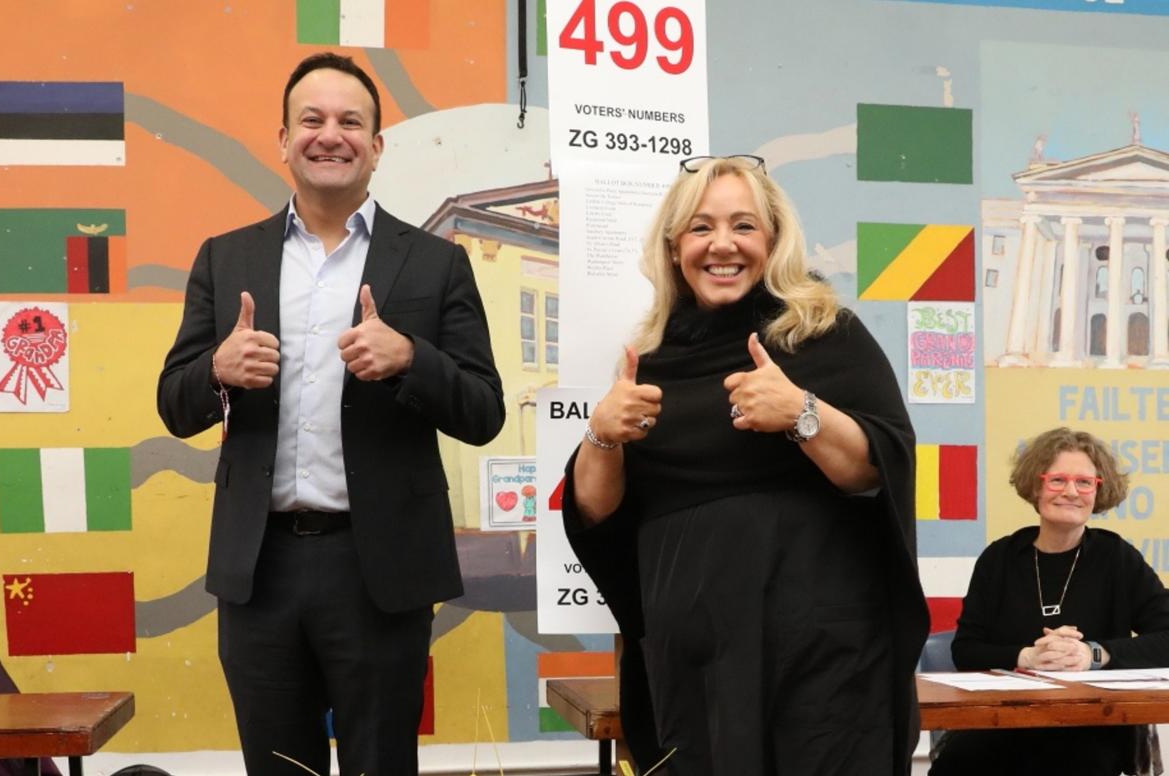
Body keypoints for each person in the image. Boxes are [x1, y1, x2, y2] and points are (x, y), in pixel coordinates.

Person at [157, 53, 504, 776]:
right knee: (278, 765)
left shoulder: (435, 265)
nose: (330, 135)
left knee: (382, 763)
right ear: (281, 140)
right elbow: (173, 402)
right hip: (260, 568)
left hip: (378, 569)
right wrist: (217, 373)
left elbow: (483, 410)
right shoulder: (226, 260)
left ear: (377, 146)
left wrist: (413, 358)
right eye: (310, 120)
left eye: (351, 121)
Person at [562, 155, 928, 775]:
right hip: (695, 660)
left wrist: (801, 411)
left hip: (819, 655)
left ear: (774, 241)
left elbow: (877, 469)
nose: (722, 244)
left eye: (744, 226)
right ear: (674, 246)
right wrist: (601, 435)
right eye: (701, 228)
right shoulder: (649, 359)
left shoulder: (824, 333)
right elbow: (598, 516)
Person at [930, 427, 1169, 776]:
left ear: (1098, 491)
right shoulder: (999, 558)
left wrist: (1093, 654)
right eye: (1057, 479)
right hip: (1003, 722)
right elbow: (965, 649)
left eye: (1085, 482)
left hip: (1091, 726)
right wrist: (1028, 656)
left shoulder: (1117, 557)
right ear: (1036, 485)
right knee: (955, 766)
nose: (1071, 491)